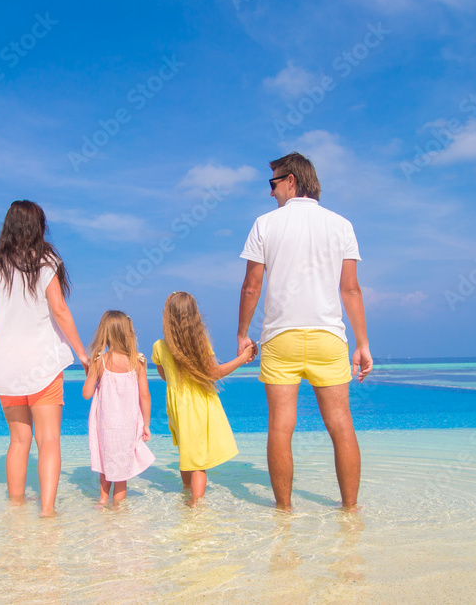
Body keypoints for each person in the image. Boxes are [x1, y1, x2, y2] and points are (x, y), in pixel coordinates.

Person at [236, 152, 373, 512]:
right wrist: (362, 343)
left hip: (282, 337)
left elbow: (251, 287)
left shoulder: (265, 224)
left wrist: (242, 334)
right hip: (329, 336)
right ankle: (350, 510)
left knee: (281, 426)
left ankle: (284, 511)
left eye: (273, 183)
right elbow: (351, 289)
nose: (270, 193)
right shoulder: (341, 224)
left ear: (292, 180)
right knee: (341, 424)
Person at [0, 200, 90, 517]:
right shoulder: (46, 261)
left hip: (5, 367)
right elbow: (60, 310)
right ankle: (48, 512)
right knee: (48, 440)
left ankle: (16, 510)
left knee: (19, 442)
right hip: (43, 364)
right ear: (38, 227)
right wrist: (81, 352)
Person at [152, 291, 257, 505]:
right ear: (194, 316)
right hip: (198, 406)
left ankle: (186, 492)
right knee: (198, 460)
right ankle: (196, 505)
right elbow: (214, 373)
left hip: (176, 407)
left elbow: (164, 377)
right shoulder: (200, 344)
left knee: (186, 451)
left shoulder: (159, 346)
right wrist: (243, 358)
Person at [82, 310, 155, 508]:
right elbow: (145, 396)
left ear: (104, 333)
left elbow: (86, 394)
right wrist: (146, 424)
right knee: (121, 470)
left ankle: (102, 501)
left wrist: (90, 370)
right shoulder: (137, 362)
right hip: (128, 426)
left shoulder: (100, 361)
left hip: (106, 424)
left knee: (106, 463)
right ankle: (118, 509)